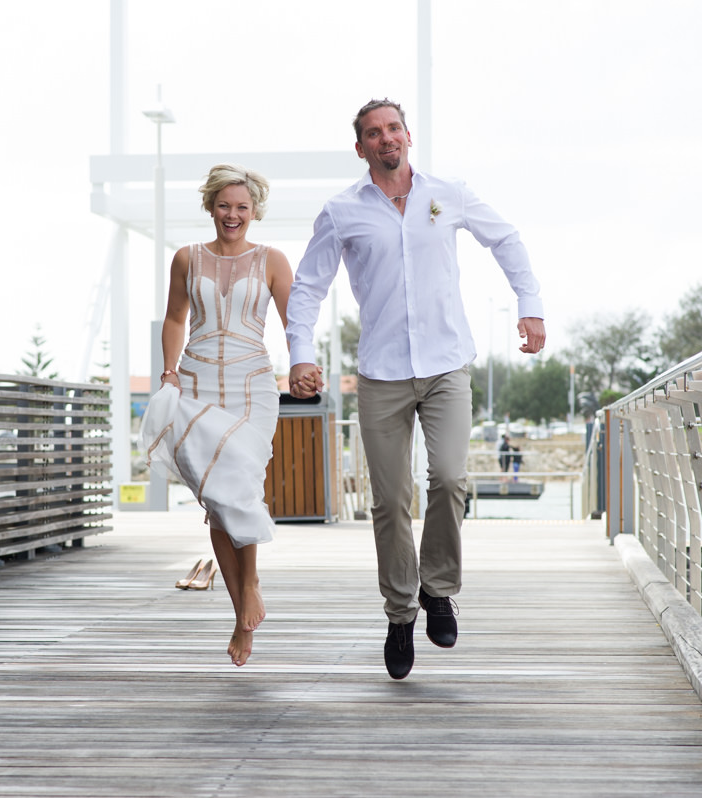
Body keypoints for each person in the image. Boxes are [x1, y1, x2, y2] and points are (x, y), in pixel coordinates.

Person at [286, 99, 546, 680]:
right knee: (389, 499)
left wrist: (530, 308)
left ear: (408, 135)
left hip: (447, 362)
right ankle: (401, 612)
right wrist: (300, 354)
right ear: (361, 148)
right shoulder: (341, 211)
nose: (386, 139)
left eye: (393, 128)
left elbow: (506, 240)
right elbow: (307, 288)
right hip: (381, 372)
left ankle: (440, 589)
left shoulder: (446, 193)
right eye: (373, 133)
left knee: (451, 479)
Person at [140, 163, 300, 668]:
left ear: (255, 212)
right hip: (198, 381)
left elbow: (295, 322)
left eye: (242, 208)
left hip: (254, 385)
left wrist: (303, 367)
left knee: (242, 488)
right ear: (210, 206)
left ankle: (250, 584)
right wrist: (168, 372)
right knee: (216, 500)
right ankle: (240, 611)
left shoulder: (272, 260)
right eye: (224, 206)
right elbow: (174, 318)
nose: (233, 215)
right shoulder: (187, 258)